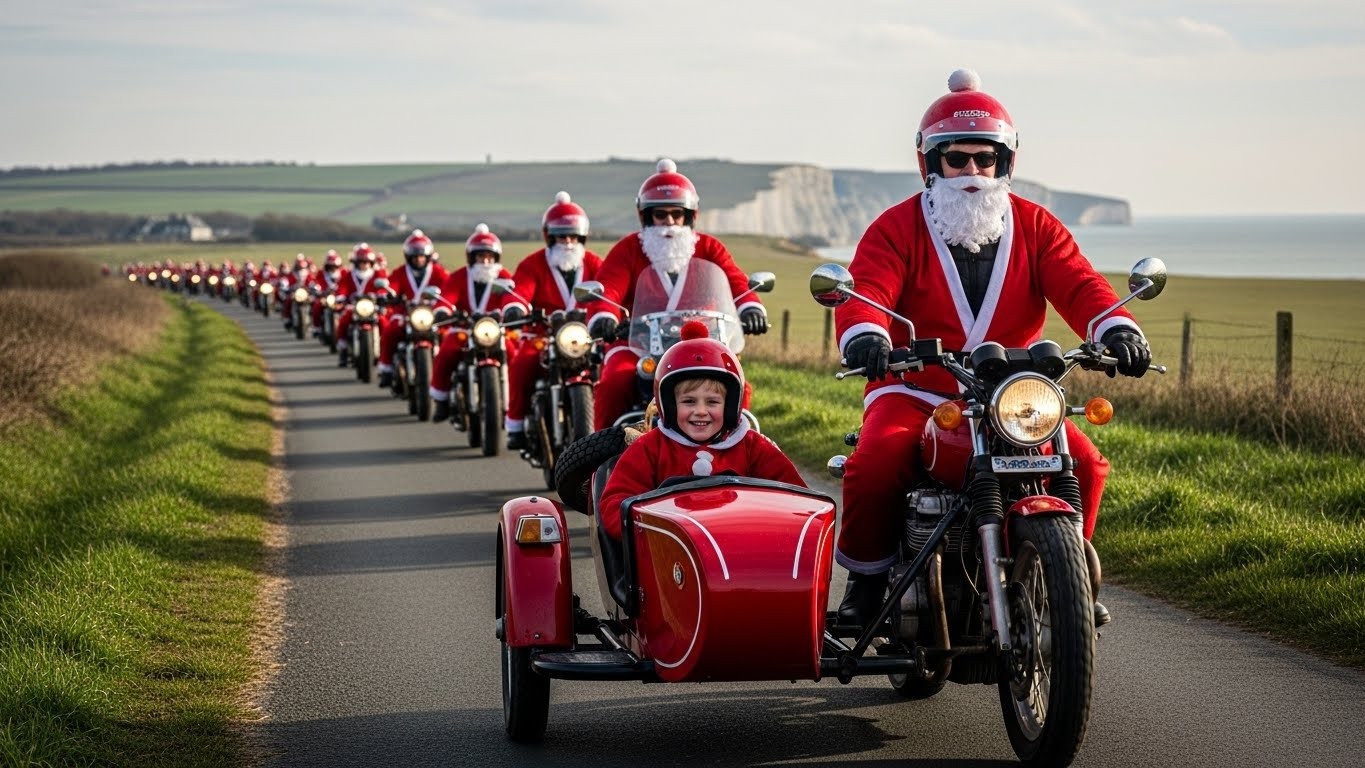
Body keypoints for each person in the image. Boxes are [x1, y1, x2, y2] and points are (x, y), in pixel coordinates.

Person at [832, 69, 1151, 629]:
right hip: (915, 389)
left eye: (987, 159)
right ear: (930, 163)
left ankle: (1067, 579)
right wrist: (867, 336)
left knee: (1087, 464)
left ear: (1007, 163)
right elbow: (869, 290)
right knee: (875, 461)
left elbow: (1080, 284)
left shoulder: (1036, 225)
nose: (972, 172)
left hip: (1014, 395)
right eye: (957, 159)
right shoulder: (895, 227)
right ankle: (865, 583)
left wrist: (1116, 328)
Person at [584, 158, 769, 432]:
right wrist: (604, 316)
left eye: (676, 214)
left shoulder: (709, 247)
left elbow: (736, 282)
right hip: (638, 345)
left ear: (689, 216)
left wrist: (750, 307)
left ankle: (736, 448)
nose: (669, 222)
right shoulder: (628, 249)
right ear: (646, 217)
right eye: (660, 215)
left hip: (700, 342)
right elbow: (608, 287)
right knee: (615, 380)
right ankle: (599, 461)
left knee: (736, 382)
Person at [596, 322, 806, 539]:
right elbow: (615, 503)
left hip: (742, 555)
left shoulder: (752, 445)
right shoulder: (649, 447)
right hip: (666, 557)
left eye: (712, 402)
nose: (701, 411)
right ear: (669, 404)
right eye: (688, 401)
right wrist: (643, 526)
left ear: (731, 404)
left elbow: (795, 498)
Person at [499, 191, 604, 449]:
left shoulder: (594, 263)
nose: (567, 242)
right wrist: (514, 306)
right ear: (549, 236)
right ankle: (515, 424)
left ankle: (611, 427)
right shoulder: (533, 264)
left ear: (582, 237)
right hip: (542, 334)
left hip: (585, 336)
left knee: (609, 367)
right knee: (521, 363)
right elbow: (520, 290)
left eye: (572, 236)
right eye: (560, 236)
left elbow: (608, 289)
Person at [429, 224, 516, 422]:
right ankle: (441, 399)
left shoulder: (504, 277)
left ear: (496, 258)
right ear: (471, 258)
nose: (485, 262)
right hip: (464, 329)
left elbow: (513, 297)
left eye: (489, 257)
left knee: (514, 355)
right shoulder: (459, 276)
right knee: (446, 352)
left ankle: (515, 403)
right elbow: (447, 298)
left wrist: (510, 312)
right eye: (480, 257)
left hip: (495, 331)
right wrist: (443, 311)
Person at [377, 229, 451, 389]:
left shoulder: (438, 271)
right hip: (405, 313)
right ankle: (386, 368)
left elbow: (449, 288)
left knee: (448, 336)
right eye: (415, 256)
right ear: (408, 257)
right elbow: (392, 286)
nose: (419, 260)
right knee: (390, 331)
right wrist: (386, 295)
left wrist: (447, 302)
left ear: (428, 256)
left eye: (422, 256)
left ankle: (447, 374)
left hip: (430, 314)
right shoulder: (400, 272)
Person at [334, 243, 388, 367]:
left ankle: (384, 348)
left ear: (371, 262)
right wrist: (341, 296)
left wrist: (381, 295)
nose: (364, 264)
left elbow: (383, 287)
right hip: (354, 306)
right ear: (356, 262)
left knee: (384, 322)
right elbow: (343, 287)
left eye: (367, 262)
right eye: (361, 262)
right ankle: (343, 349)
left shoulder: (377, 274)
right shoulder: (349, 275)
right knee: (344, 320)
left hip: (372, 307)